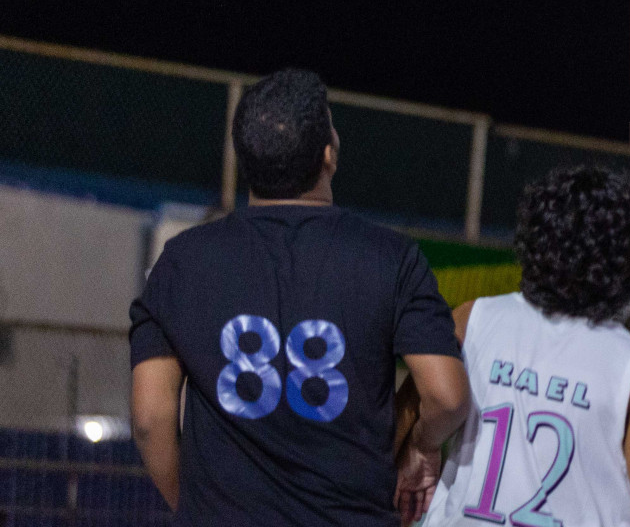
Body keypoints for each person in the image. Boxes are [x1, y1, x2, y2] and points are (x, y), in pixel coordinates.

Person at [128, 69, 470, 526]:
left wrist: (192, 508)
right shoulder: (392, 258)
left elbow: (150, 418)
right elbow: (447, 397)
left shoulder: (181, 262)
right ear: (327, 155)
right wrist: (423, 448)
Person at [400, 166, 630, 527]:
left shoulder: (473, 320)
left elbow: (405, 414)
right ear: (625, 259)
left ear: (536, 239)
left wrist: (419, 446)